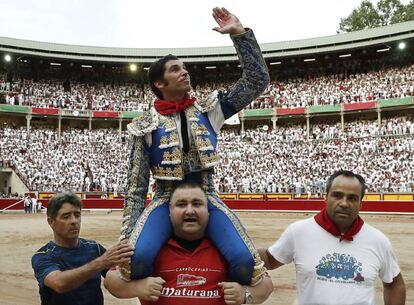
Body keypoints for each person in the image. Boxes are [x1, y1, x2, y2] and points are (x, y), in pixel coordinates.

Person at [121, 7, 269, 285]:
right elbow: (136, 186)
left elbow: (256, 82)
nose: (184, 72)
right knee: (136, 259)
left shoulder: (209, 109)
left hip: (206, 195)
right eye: (175, 69)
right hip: (165, 199)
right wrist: (128, 235)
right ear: (159, 82)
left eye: (185, 68)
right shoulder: (144, 125)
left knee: (245, 261)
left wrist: (240, 35)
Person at [106, 182, 273, 305]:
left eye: (197, 203)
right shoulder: (152, 246)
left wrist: (245, 294)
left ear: (209, 211)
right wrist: (137, 288)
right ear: (168, 211)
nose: (190, 210)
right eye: (181, 204)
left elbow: (266, 284)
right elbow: (111, 280)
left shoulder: (225, 247)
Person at [259, 170, 406, 305]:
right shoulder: (298, 232)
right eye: (337, 195)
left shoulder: (378, 241)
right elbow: (270, 259)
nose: (344, 203)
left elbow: (394, 283)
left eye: (352, 198)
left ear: (361, 203)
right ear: (326, 197)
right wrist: (238, 253)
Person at [31, 192, 134, 305]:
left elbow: (117, 276)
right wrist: (101, 262)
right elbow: (59, 283)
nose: (74, 221)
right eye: (66, 217)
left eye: (77, 215)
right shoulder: (42, 256)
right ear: (51, 222)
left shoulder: (95, 248)